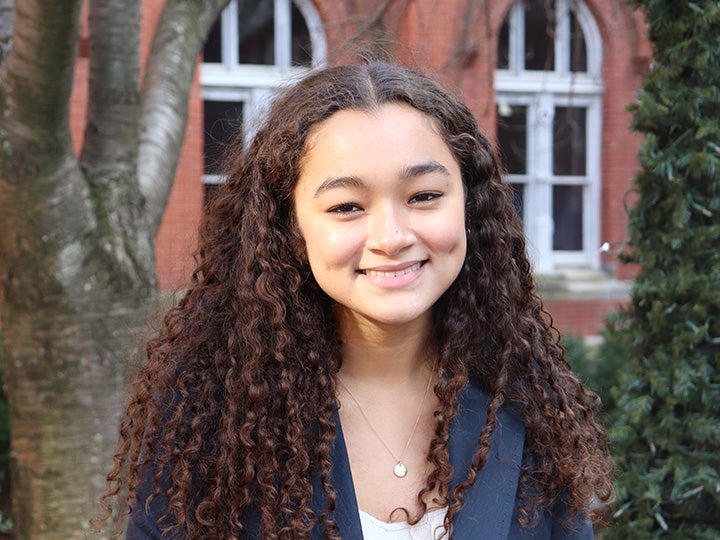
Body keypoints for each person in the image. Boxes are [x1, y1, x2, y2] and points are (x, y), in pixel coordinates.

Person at [103, 62, 614, 539]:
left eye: (424, 196)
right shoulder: (213, 417)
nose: (391, 237)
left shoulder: (526, 401)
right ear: (291, 228)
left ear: (470, 205)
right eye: (347, 206)